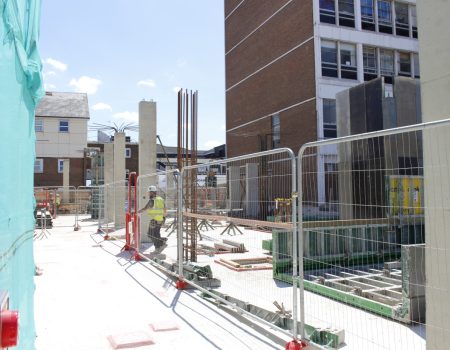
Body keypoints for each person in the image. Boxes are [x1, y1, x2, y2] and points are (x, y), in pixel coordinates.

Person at [138, 185, 167, 251]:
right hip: (160, 219)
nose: (148, 194)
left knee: (151, 235)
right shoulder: (160, 199)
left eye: (149, 192)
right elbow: (165, 209)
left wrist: (137, 212)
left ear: (152, 192)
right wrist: (163, 218)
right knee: (156, 234)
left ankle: (160, 245)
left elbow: (145, 208)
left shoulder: (152, 200)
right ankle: (161, 244)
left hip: (155, 220)